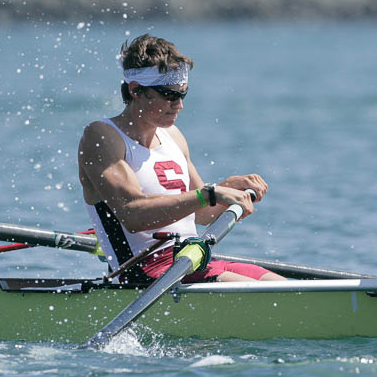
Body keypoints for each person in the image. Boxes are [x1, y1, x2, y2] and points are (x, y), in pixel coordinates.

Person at [78, 34, 283, 284]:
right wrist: (209, 194)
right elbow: (133, 215)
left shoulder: (173, 136)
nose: (179, 105)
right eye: (169, 95)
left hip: (191, 258)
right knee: (267, 294)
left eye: (182, 95)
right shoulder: (102, 136)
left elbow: (202, 214)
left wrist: (229, 188)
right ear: (135, 90)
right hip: (144, 272)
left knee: (287, 289)